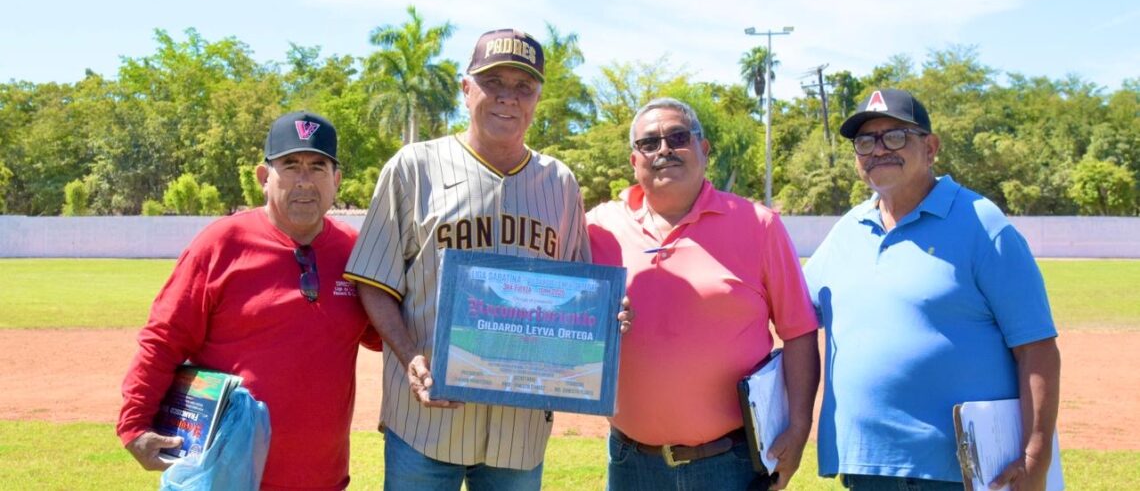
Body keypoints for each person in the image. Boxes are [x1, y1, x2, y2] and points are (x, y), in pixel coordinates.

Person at [345, 28, 613, 491]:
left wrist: (604, 318)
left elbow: (576, 295)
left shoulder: (560, 183)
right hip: (424, 422)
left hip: (520, 430)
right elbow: (374, 279)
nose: (508, 98)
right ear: (466, 89)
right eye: (494, 83)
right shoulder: (413, 167)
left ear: (537, 99)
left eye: (523, 87)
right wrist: (410, 358)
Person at [804, 88, 1061, 490]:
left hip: (958, 472)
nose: (878, 150)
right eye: (865, 141)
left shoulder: (982, 223)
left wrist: (1035, 454)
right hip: (866, 467)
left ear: (931, 147)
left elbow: (1037, 348)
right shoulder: (847, 230)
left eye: (895, 136)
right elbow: (794, 310)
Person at [117, 111, 381, 491]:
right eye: (290, 166)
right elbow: (164, 336)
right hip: (224, 477)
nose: (305, 181)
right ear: (264, 178)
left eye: (318, 167)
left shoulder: (354, 253)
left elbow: (382, 333)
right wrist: (135, 424)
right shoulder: (221, 244)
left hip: (323, 479)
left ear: (336, 180)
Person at [587, 97, 821, 491]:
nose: (664, 150)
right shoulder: (598, 228)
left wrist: (798, 428)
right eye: (649, 143)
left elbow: (798, 330)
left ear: (703, 149)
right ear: (634, 160)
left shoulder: (758, 225)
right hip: (630, 463)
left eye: (678, 137)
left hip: (728, 462)